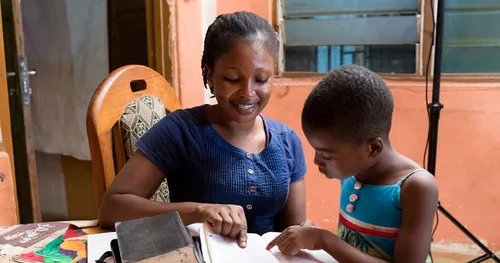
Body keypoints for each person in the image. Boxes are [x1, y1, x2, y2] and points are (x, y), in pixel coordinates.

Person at [98, 11, 310, 248]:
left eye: (261, 80)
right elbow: (112, 208)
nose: (248, 92)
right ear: (210, 74)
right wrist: (198, 212)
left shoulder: (287, 141)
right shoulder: (181, 131)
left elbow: (294, 230)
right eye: (232, 78)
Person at [266, 65, 438, 263]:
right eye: (316, 150)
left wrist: (325, 240)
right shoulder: (354, 173)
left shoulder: (416, 187)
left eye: (327, 155)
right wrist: (313, 234)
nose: (316, 161)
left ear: (372, 148)